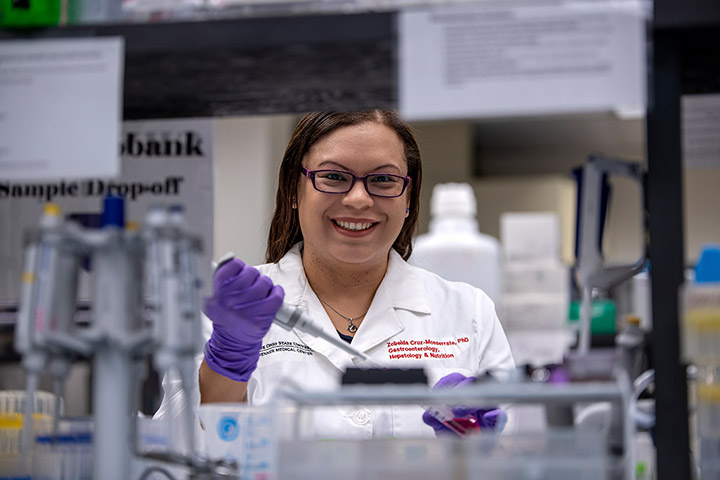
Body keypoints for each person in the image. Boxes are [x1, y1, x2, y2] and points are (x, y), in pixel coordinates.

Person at [157, 110, 514, 440]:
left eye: (384, 180)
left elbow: (527, 454)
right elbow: (174, 450)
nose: (358, 199)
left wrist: (481, 444)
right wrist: (227, 359)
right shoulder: (229, 313)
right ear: (294, 190)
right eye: (333, 176)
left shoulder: (469, 313)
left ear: (408, 198)